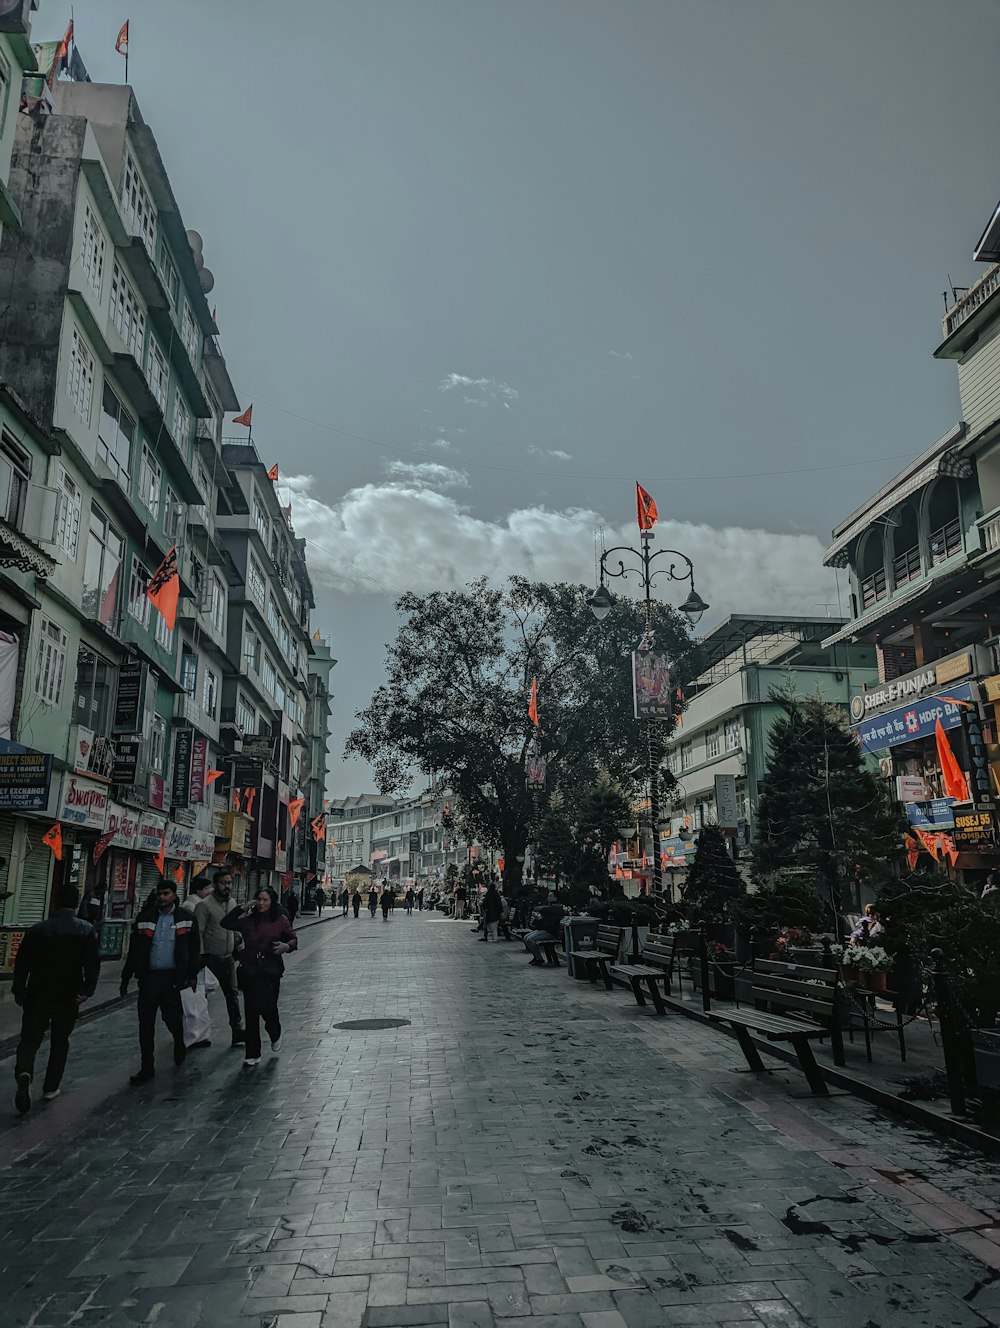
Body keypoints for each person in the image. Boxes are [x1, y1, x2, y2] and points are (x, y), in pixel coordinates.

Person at [12, 883, 99, 1114]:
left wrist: (19, 990)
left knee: (30, 1038)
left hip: (38, 992)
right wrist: (87, 989)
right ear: (76, 901)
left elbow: (22, 964)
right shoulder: (85, 929)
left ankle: (24, 1071)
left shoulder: (38, 929)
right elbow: (92, 963)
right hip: (68, 994)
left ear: (54, 901)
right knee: (60, 1041)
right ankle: (51, 1087)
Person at [121, 880, 200, 1085]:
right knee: (145, 1024)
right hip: (149, 979)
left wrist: (191, 975)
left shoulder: (186, 918)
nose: (162, 897)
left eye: (166, 893)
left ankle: (179, 1042)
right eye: (159, 894)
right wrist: (126, 976)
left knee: (172, 1019)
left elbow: (193, 949)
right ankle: (147, 1066)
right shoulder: (146, 917)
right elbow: (135, 949)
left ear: (174, 894)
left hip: (172, 979)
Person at [222, 887, 298, 1067]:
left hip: (270, 970)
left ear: (272, 902)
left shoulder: (280, 920)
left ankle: (274, 1031)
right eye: (259, 899)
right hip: (250, 970)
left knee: (269, 1007)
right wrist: (242, 908)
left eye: (265, 900)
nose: (261, 903)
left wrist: (285, 947)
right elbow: (226, 923)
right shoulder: (248, 921)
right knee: (251, 1011)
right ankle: (252, 1052)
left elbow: (293, 939)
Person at [194, 870, 246, 1047]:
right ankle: (197, 1032)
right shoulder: (204, 905)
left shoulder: (232, 903)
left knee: (232, 994)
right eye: (224, 883)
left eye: (230, 883)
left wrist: (238, 944)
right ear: (215, 885)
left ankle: (237, 1030)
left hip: (228, 957)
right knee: (202, 997)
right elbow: (198, 933)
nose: (227, 886)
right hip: (209, 959)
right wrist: (200, 955)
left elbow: (236, 926)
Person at [181, 875, 214, 1050]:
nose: (211, 891)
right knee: (192, 999)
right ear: (198, 890)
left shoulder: (202, 905)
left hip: (199, 957)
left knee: (198, 998)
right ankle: (192, 1035)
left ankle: (199, 1034)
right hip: (193, 959)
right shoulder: (190, 907)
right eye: (208, 888)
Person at [523, 893, 567, 967]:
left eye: (550, 896)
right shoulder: (551, 907)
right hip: (545, 930)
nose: (548, 897)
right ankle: (536, 957)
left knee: (530, 939)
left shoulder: (557, 908)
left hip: (550, 932)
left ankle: (539, 959)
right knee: (526, 937)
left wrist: (538, 912)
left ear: (556, 898)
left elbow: (543, 910)